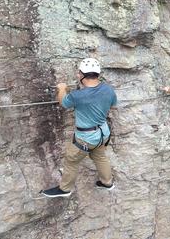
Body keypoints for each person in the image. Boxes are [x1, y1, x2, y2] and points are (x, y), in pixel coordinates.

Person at [40, 58, 117, 198]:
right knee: (100, 156)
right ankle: (107, 183)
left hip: (86, 138)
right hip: (103, 133)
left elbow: (63, 102)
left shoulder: (78, 96)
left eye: (79, 72)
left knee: (71, 161)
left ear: (83, 75)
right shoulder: (108, 89)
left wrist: (62, 88)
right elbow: (112, 104)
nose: (77, 75)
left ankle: (64, 189)